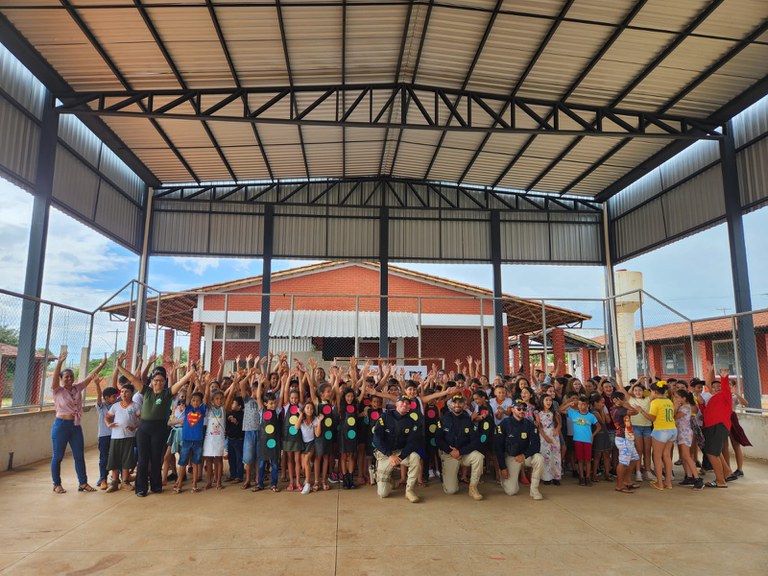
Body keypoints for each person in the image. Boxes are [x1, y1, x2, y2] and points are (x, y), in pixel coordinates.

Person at [116, 353, 190, 497]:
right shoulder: (146, 391)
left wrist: (191, 372)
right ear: (152, 380)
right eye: (156, 380)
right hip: (144, 429)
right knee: (143, 459)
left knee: (156, 458)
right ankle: (141, 488)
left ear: (165, 381)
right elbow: (131, 378)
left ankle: (156, 486)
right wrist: (119, 366)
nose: (158, 383)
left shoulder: (167, 394)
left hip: (159, 429)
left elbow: (181, 382)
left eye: (162, 381)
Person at [50, 350, 107, 494]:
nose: (69, 379)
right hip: (61, 425)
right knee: (58, 457)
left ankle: (83, 483)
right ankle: (56, 484)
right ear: (62, 379)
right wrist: (60, 363)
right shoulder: (57, 390)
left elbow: (90, 376)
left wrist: (102, 364)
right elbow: (55, 378)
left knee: (79, 456)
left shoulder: (77, 388)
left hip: (75, 426)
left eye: (71, 376)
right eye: (66, 377)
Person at [371, 395, 422, 503]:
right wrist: (390, 455)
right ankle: (390, 481)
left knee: (415, 457)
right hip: (386, 454)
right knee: (383, 494)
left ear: (409, 407)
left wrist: (400, 457)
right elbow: (376, 439)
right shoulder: (385, 416)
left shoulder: (412, 422)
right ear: (396, 404)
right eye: (402, 402)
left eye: (407, 403)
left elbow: (412, 443)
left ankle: (409, 490)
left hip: (400, 453)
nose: (404, 404)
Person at [434, 394, 484, 500]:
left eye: (460, 402)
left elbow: (475, 441)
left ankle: (473, 487)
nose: (457, 405)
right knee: (451, 491)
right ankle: (447, 474)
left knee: (478, 457)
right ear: (451, 405)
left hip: (463, 453)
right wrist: (450, 451)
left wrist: (460, 451)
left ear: (464, 405)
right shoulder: (444, 419)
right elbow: (438, 439)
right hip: (449, 453)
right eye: (455, 402)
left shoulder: (468, 420)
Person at [495, 398, 544, 500]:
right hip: (511, 457)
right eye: (519, 408)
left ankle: (534, 489)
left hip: (524, 456)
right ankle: (504, 479)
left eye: (524, 409)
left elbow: (536, 445)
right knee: (511, 491)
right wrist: (503, 467)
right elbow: (498, 447)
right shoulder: (504, 424)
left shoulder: (529, 425)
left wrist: (524, 455)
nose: (522, 411)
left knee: (539, 458)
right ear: (512, 409)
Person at [635, 381, 676, 490]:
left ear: (656, 392)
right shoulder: (669, 401)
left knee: (657, 457)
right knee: (667, 456)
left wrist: (641, 411)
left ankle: (660, 483)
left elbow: (652, 418)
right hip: (672, 430)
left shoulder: (655, 402)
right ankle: (668, 482)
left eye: (652, 391)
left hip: (661, 431)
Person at [701, 368, 734, 488]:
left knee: (711, 453)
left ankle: (720, 481)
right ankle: (726, 472)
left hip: (718, 426)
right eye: (714, 387)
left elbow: (724, 387)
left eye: (719, 386)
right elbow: (708, 384)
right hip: (711, 427)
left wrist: (724, 377)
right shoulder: (711, 398)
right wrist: (709, 371)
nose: (716, 388)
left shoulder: (725, 395)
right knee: (714, 452)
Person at [105, 383, 140, 492]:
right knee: (114, 459)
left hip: (129, 436)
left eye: (127, 392)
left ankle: (125, 481)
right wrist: (108, 424)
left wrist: (134, 427)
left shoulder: (135, 406)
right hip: (116, 436)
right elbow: (107, 417)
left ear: (132, 393)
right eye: (122, 391)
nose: (124, 394)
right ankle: (114, 482)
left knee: (126, 459)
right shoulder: (115, 406)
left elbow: (141, 419)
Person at [560, 395, 600, 486]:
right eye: (579, 404)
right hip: (577, 440)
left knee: (588, 460)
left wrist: (593, 435)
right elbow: (560, 410)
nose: (581, 406)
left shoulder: (591, 416)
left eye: (583, 404)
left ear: (588, 405)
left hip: (587, 440)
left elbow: (598, 426)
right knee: (580, 460)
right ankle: (581, 477)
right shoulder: (574, 413)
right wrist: (569, 403)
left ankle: (588, 477)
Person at [174, 383, 206, 493]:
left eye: (198, 400)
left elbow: (205, 396)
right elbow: (188, 396)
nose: (195, 402)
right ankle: (179, 483)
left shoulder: (202, 410)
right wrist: (192, 382)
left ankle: (194, 484)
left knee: (196, 462)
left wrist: (199, 383)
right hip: (187, 440)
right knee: (183, 463)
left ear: (200, 402)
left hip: (197, 441)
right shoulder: (187, 409)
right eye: (193, 400)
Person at [673, 389, 703, 490]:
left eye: (677, 397)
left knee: (686, 455)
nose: (675, 399)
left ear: (684, 398)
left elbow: (674, 417)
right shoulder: (682, 406)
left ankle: (698, 479)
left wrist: (675, 406)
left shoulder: (685, 407)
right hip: (681, 433)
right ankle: (689, 477)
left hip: (685, 433)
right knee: (684, 456)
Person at [95, 379, 119, 490]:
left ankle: (115, 478)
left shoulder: (117, 405)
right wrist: (97, 384)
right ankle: (102, 478)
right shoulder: (101, 406)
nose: (115, 398)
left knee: (115, 456)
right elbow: (99, 396)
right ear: (106, 398)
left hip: (115, 435)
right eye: (113, 396)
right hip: (104, 435)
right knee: (103, 458)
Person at [535, 394, 561, 486]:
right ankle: (547, 477)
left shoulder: (555, 413)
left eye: (550, 400)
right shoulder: (538, 413)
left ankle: (556, 476)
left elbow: (559, 424)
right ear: (542, 401)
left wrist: (557, 430)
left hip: (554, 436)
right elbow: (539, 427)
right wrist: (545, 436)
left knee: (555, 456)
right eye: (546, 400)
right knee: (546, 456)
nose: (549, 402)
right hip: (544, 436)